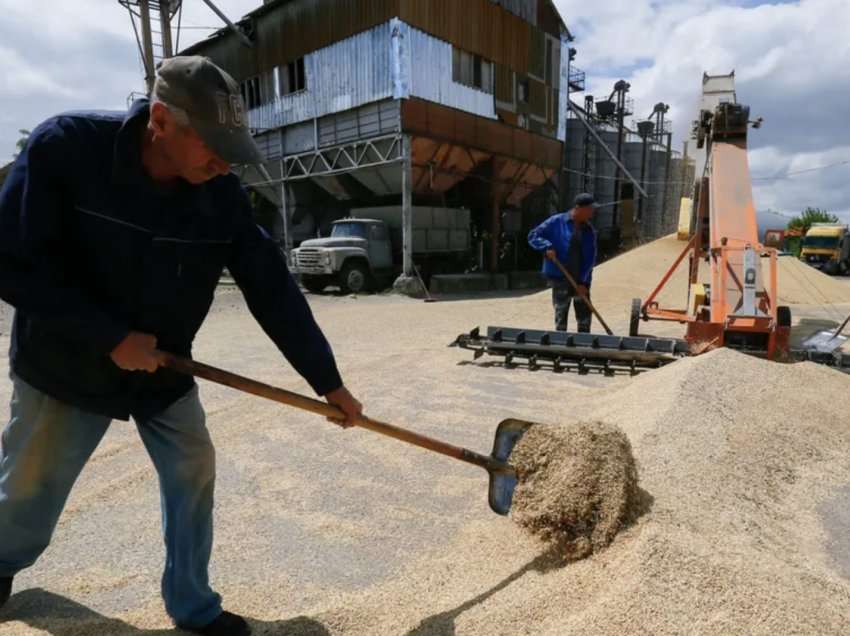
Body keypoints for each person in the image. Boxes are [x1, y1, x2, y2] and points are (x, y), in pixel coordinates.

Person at [0, 56, 363, 636]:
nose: (224, 162)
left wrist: (329, 382)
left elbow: (272, 289)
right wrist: (109, 337)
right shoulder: (66, 149)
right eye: (212, 145)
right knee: (29, 489)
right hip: (64, 361)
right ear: (161, 120)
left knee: (193, 466)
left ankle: (193, 606)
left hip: (164, 368)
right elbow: (12, 265)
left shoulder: (219, 194)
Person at [528, 193, 598, 332]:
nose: (592, 212)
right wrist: (546, 247)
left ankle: (583, 347)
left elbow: (590, 259)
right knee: (561, 315)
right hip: (560, 276)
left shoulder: (589, 230)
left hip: (580, 279)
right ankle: (560, 346)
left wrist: (584, 282)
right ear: (578, 208)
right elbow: (533, 235)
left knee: (584, 317)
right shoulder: (556, 221)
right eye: (590, 209)